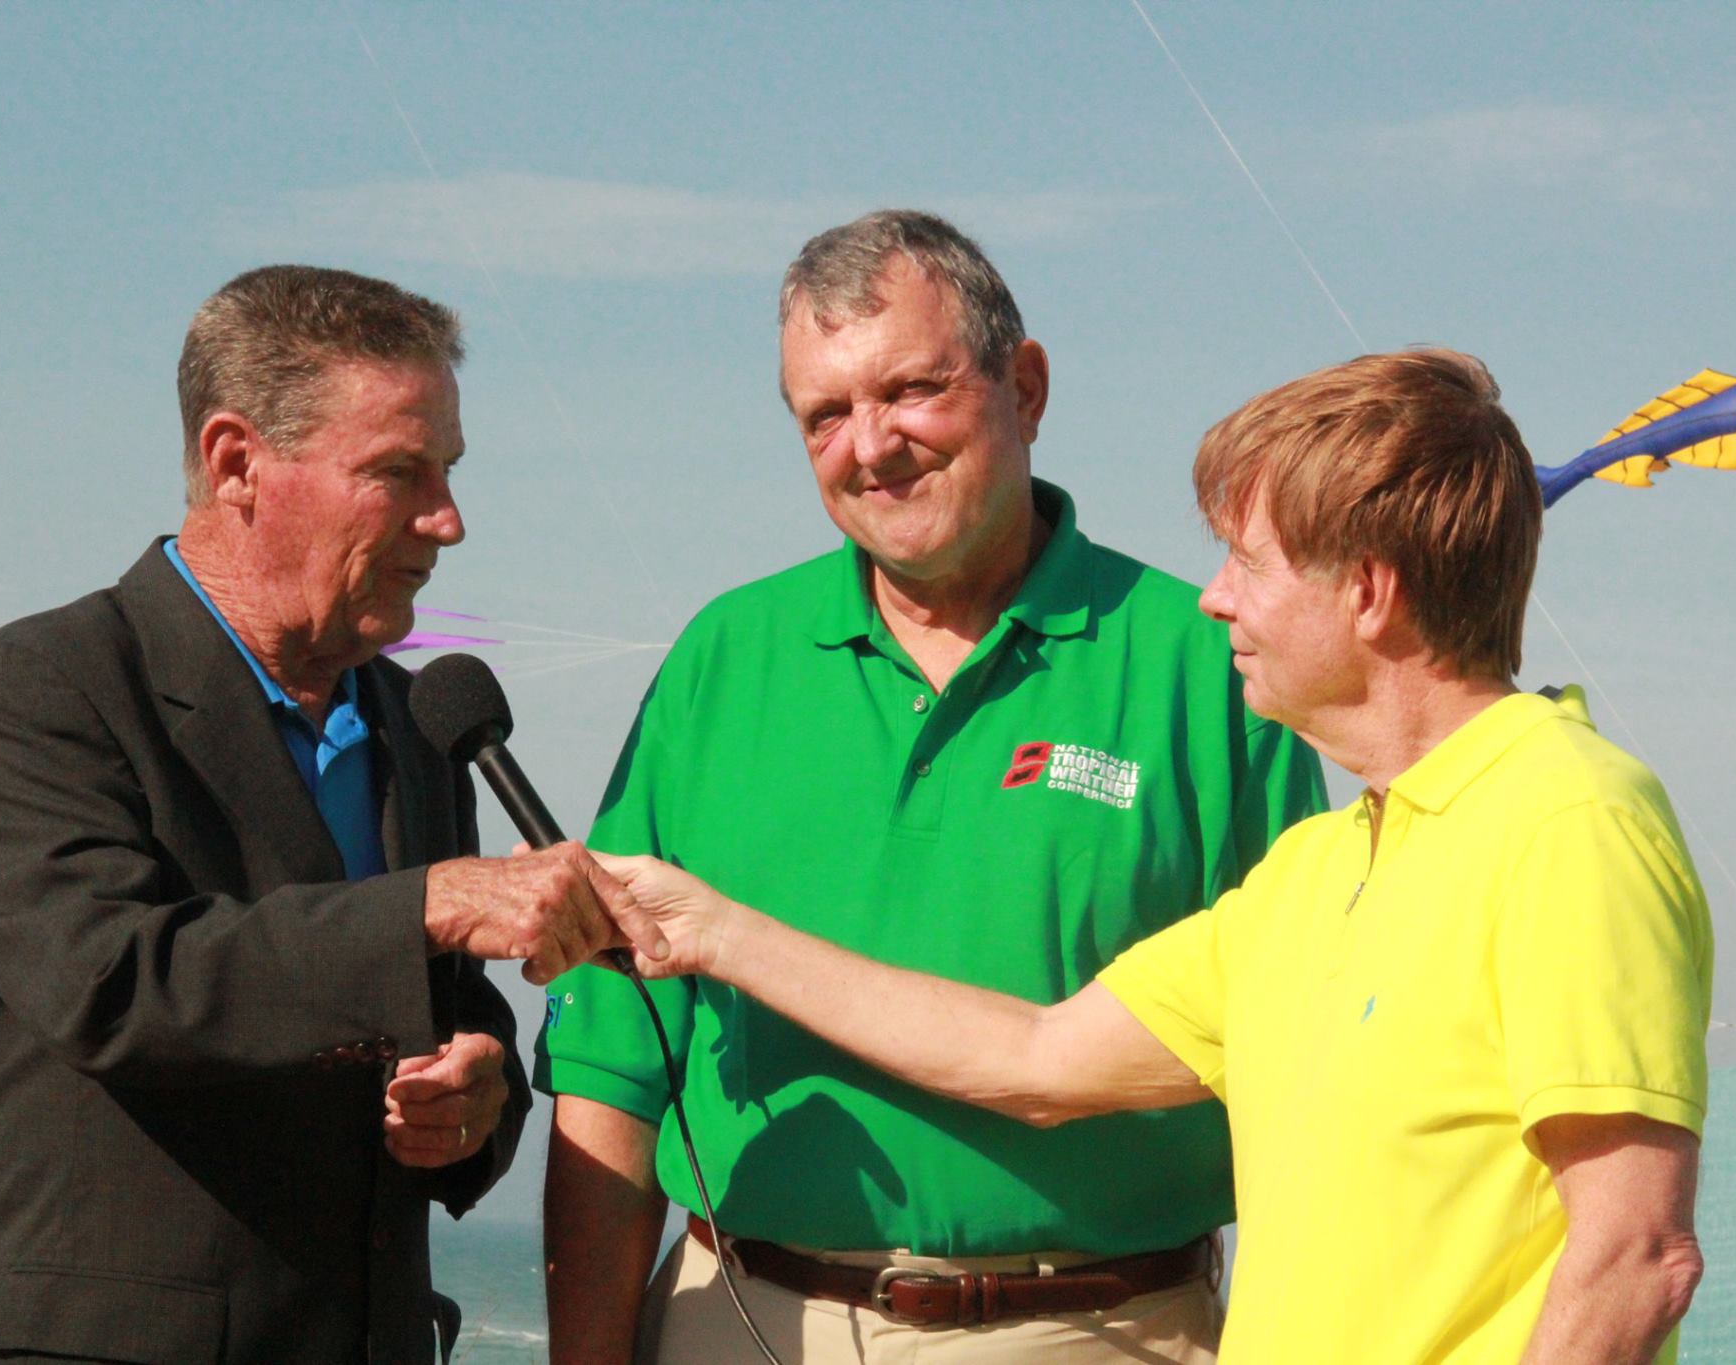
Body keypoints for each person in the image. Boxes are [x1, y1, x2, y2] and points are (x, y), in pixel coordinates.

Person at [601, 349, 1715, 1364]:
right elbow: (1033, 1055)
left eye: (1249, 563)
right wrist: (713, 932)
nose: (1215, 599)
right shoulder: (1320, 868)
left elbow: (1635, 1259)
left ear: (1369, 593)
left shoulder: (1568, 817)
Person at [536, 210, 1325, 1363]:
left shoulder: (1204, 666)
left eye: (911, 390)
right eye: (824, 415)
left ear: (1026, 388)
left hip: (1099, 1331)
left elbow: (1304, 1068)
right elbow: (611, 1062)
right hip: (742, 1316)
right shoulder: (722, 659)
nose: (870, 445)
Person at [0, 265, 665, 1364]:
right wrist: (428, 906)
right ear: (236, 464)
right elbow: (108, 984)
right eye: (398, 471)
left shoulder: (422, 728)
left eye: (448, 470)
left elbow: (450, 1010)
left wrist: (477, 1097)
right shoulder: (44, 684)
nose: (447, 520)